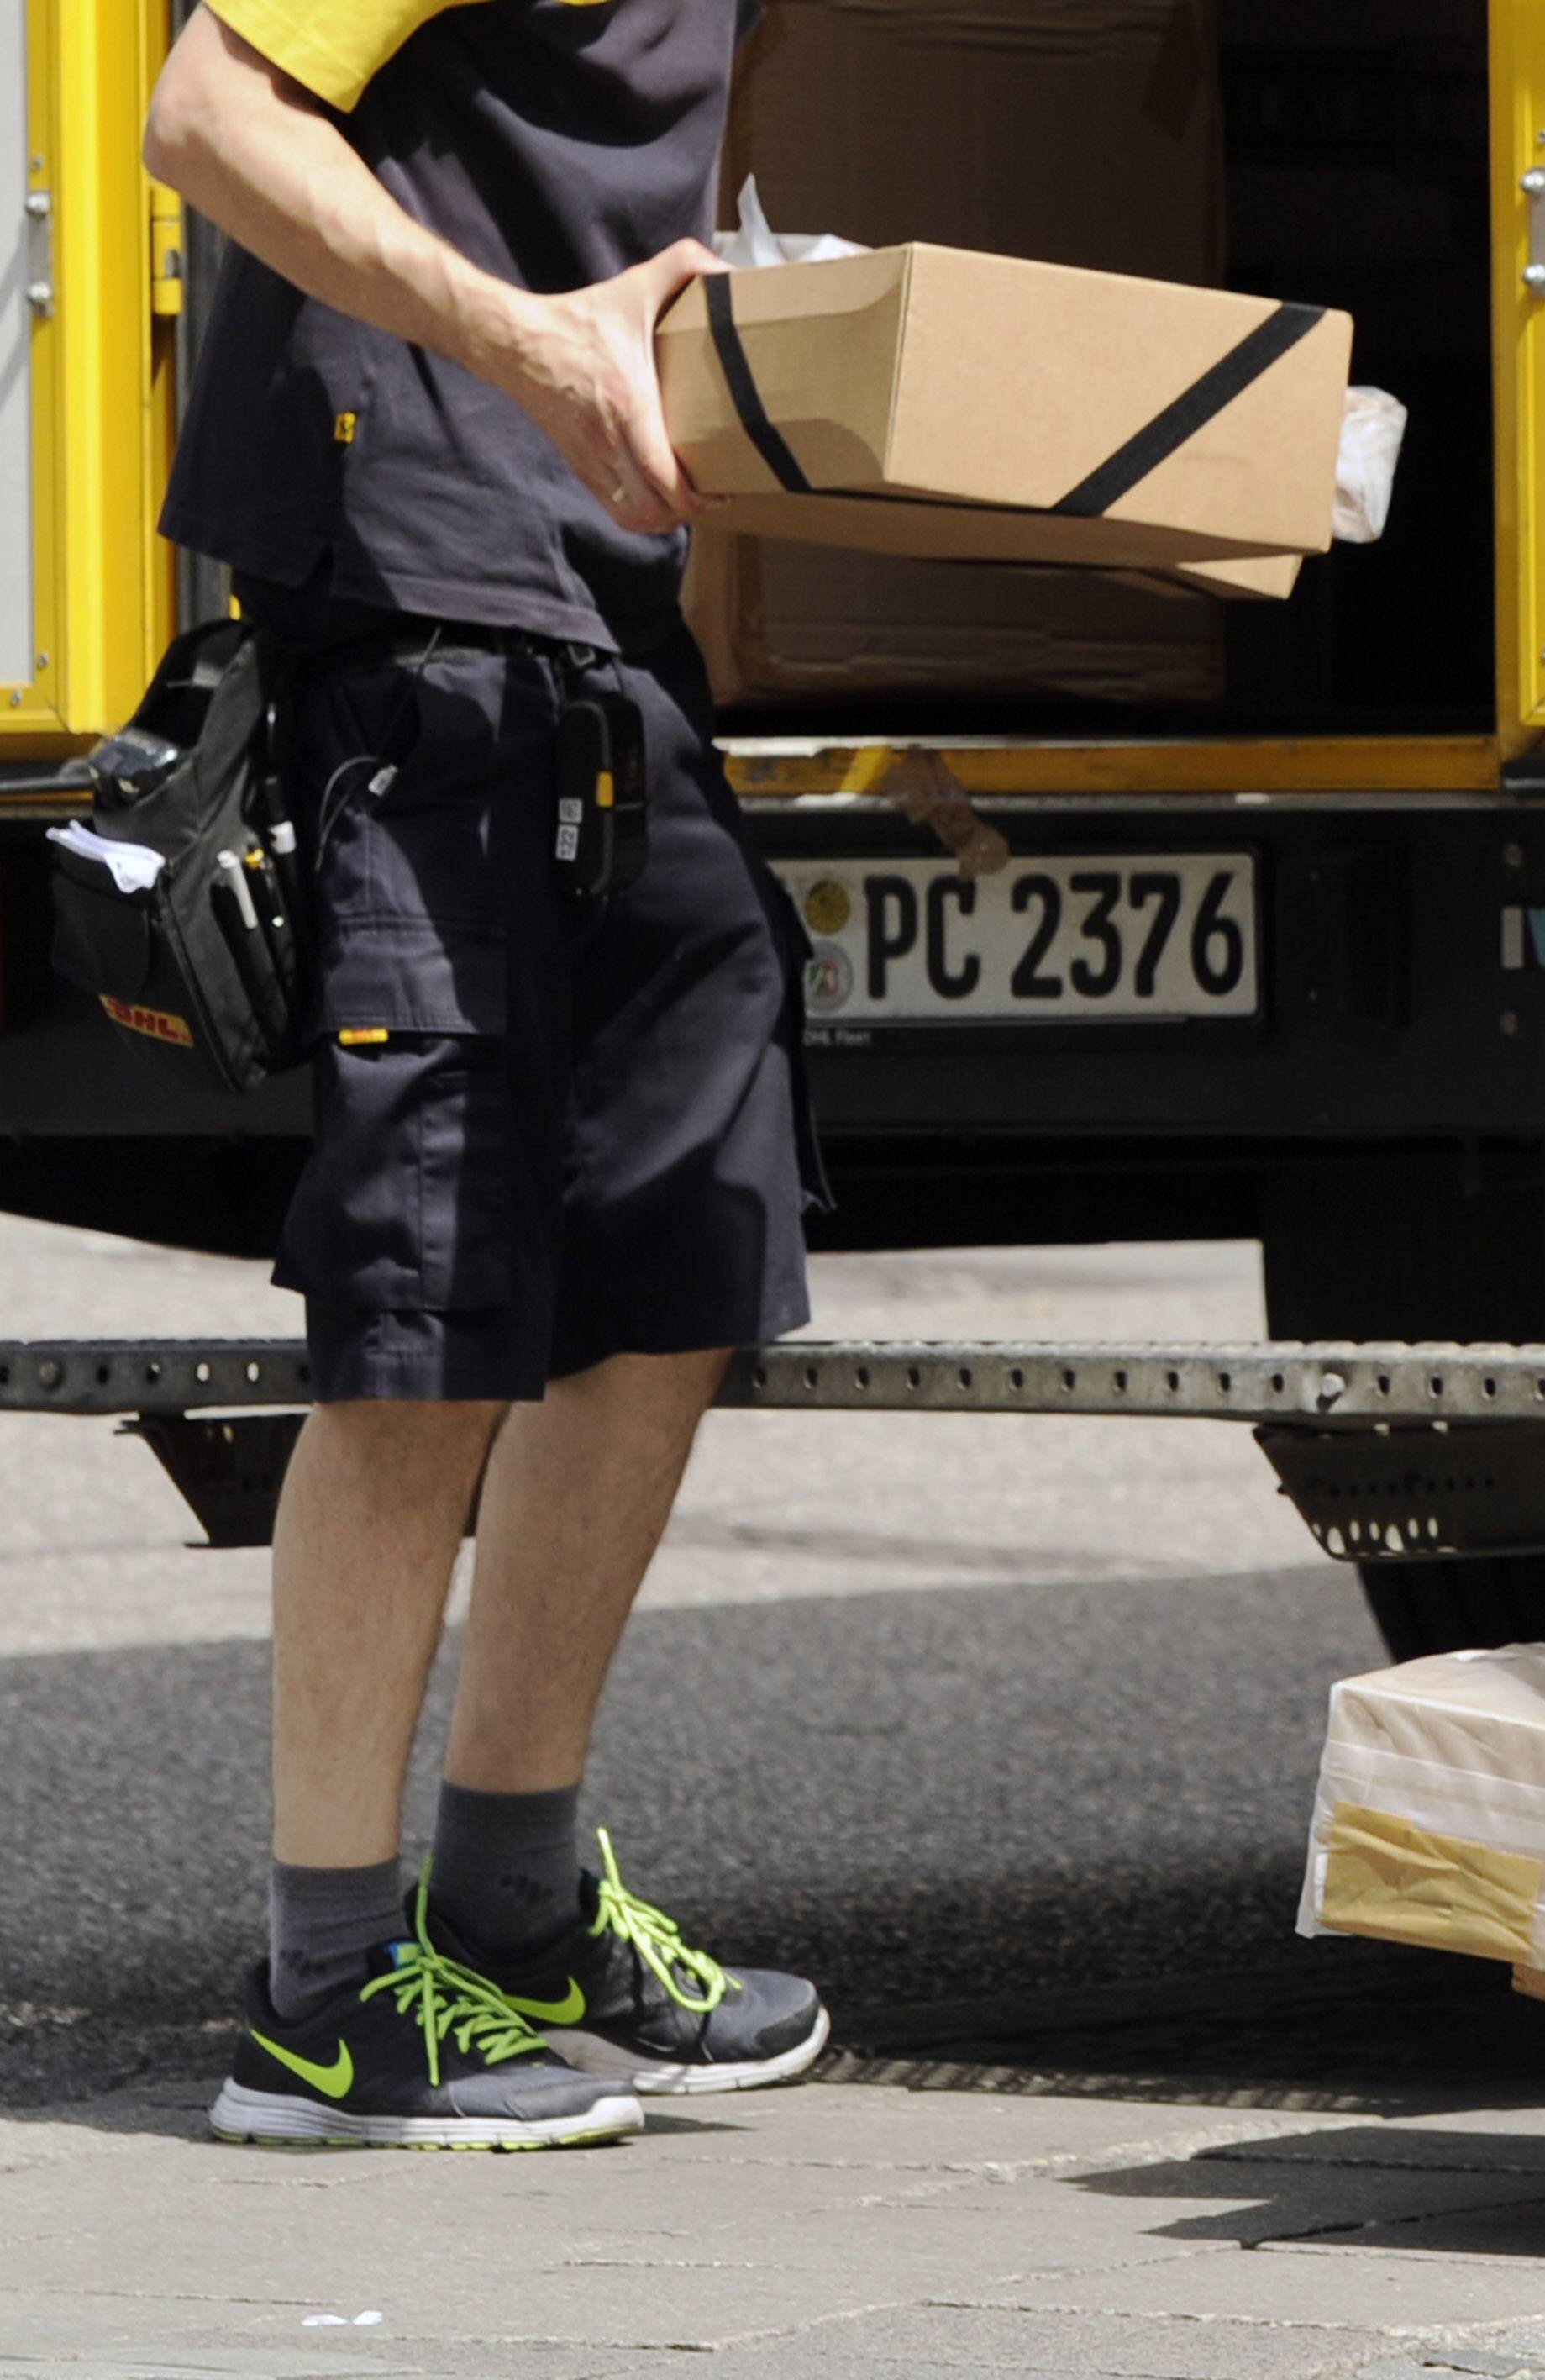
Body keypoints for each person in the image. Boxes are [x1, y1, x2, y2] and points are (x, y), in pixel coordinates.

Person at [143, 0, 828, 2149]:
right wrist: (532, 346)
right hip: (415, 602)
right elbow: (204, 118)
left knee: (694, 1225)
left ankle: (516, 1908)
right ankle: (324, 1999)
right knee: (428, 1310)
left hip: (599, 623)